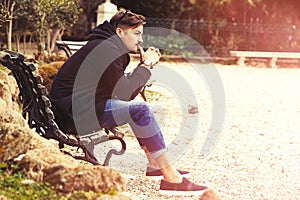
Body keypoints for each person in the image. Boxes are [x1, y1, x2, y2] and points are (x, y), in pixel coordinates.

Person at [49, 8, 208, 195]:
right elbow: (124, 94)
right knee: (140, 109)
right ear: (119, 32)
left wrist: (143, 67)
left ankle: (155, 164)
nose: (140, 39)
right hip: (75, 113)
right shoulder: (107, 49)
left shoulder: (106, 46)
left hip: (77, 107)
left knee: (138, 110)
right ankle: (171, 178)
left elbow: (121, 89)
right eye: (137, 33)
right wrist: (146, 65)